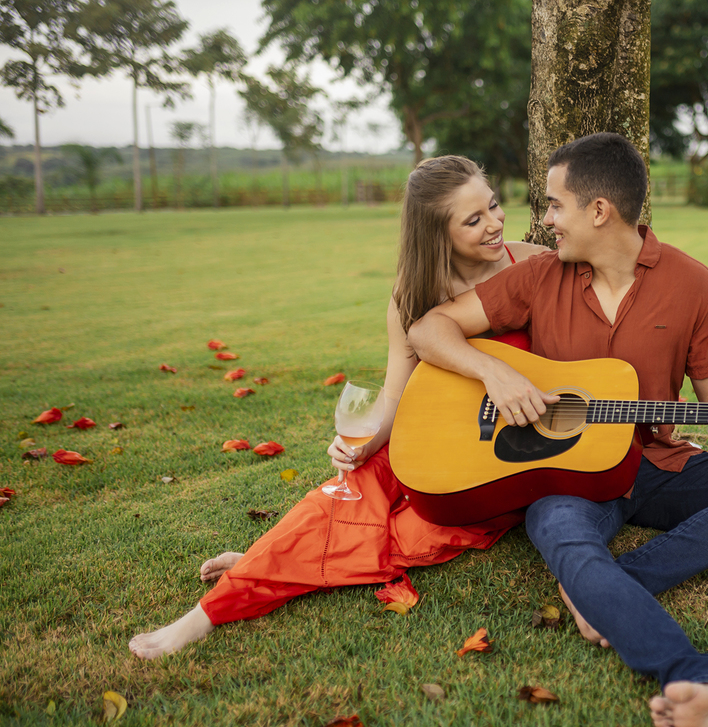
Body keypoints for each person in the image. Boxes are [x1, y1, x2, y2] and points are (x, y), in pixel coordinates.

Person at [408, 133, 708, 727]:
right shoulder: (539, 278)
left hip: (659, 466)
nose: (546, 221)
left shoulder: (693, 283)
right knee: (561, 534)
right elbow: (428, 330)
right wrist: (494, 372)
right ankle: (697, 678)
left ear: (599, 210)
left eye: (555, 205)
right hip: (571, 478)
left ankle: (612, 584)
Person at [128, 156, 548, 660]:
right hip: (427, 437)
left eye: (494, 206)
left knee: (408, 537)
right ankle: (203, 616)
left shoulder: (533, 264)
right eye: (473, 219)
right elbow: (397, 395)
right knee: (344, 495)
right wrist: (366, 443)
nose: (495, 223)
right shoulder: (414, 296)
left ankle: (277, 560)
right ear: (437, 234)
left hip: (497, 462)